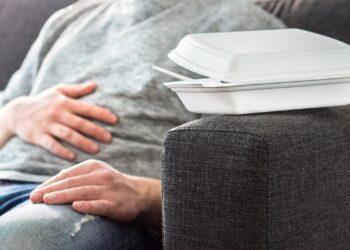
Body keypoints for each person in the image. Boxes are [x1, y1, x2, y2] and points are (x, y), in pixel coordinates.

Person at [0, 0, 284, 249]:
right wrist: (12, 114)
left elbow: (270, 181)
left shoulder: (246, 29)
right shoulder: (68, 20)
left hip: (75, 203)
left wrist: (146, 195)